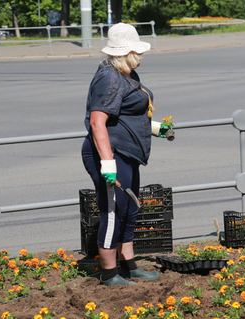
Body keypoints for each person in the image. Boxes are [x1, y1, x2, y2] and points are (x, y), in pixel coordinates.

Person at [81, 23, 169, 286]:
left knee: (129, 209)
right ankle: (109, 273)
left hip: (127, 153)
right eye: (137, 51)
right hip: (110, 154)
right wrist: (107, 163)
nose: (141, 56)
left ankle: (129, 266)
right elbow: (98, 122)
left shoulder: (126, 74)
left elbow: (127, 115)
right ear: (125, 52)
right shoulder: (109, 78)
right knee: (113, 211)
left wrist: (157, 129)